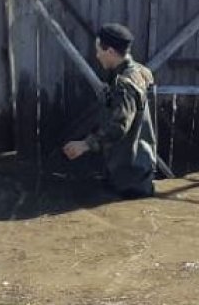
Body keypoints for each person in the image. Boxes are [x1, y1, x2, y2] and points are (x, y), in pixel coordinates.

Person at [62, 23, 158, 199]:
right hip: (141, 169)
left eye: (99, 50)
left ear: (111, 52)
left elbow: (119, 125)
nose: (97, 55)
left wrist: (85, 144)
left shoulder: (124, 84)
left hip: (127, 176)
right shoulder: (142, 72)